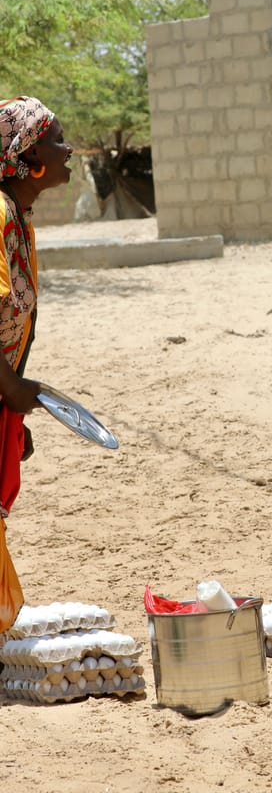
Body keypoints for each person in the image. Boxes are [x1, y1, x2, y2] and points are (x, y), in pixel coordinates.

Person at [0, 97, 73, 626]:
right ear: (28, 155)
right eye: (57, 139)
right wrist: (10, 388)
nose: (68, 150)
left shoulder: (18, 218)